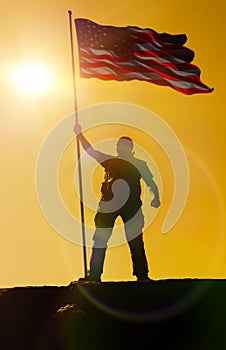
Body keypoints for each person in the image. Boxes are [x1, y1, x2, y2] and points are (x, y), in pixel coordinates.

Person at [74, 124, 160, 282]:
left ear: (130, 148)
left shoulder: (139, 164)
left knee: (135, 241)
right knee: (100, 241)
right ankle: (94, 275)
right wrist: (79, 135)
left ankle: (142, 275)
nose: (121, 148)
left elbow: (150, 182)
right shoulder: (110, 162)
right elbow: (91, 151)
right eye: (119, 145)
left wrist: (156, 196)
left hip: (131, 207)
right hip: (108, 206)